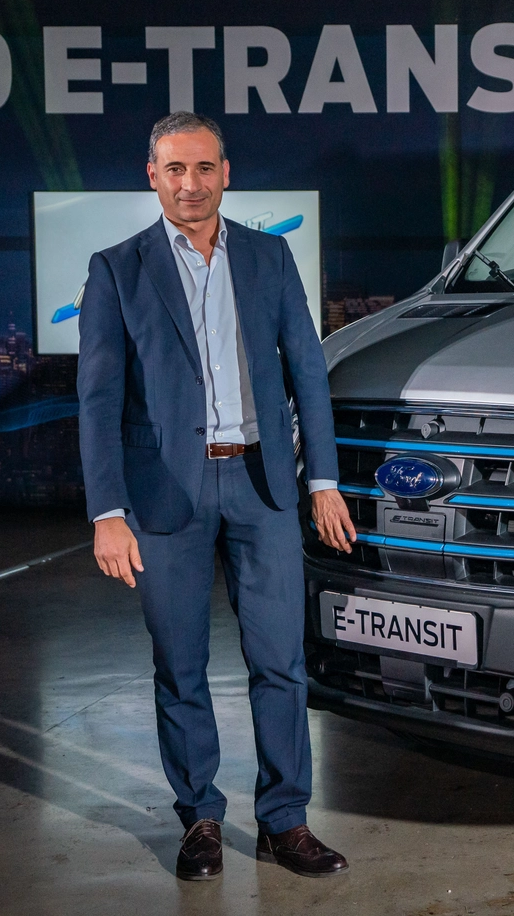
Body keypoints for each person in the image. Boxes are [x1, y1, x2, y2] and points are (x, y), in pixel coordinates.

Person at [78, 112, 359, 881]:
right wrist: (107, 512)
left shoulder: (270, 257)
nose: (190, 184)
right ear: (153, 176)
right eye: (174, 169)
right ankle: (200, 817)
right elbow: (98, 400)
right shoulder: (117, 269)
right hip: (164, 491)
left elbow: (308, 374)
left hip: (263, 486)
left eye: (204, 168)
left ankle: (285, 822)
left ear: (226, 174)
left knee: (281, 660)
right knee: (181, 664)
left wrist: (323, 481)